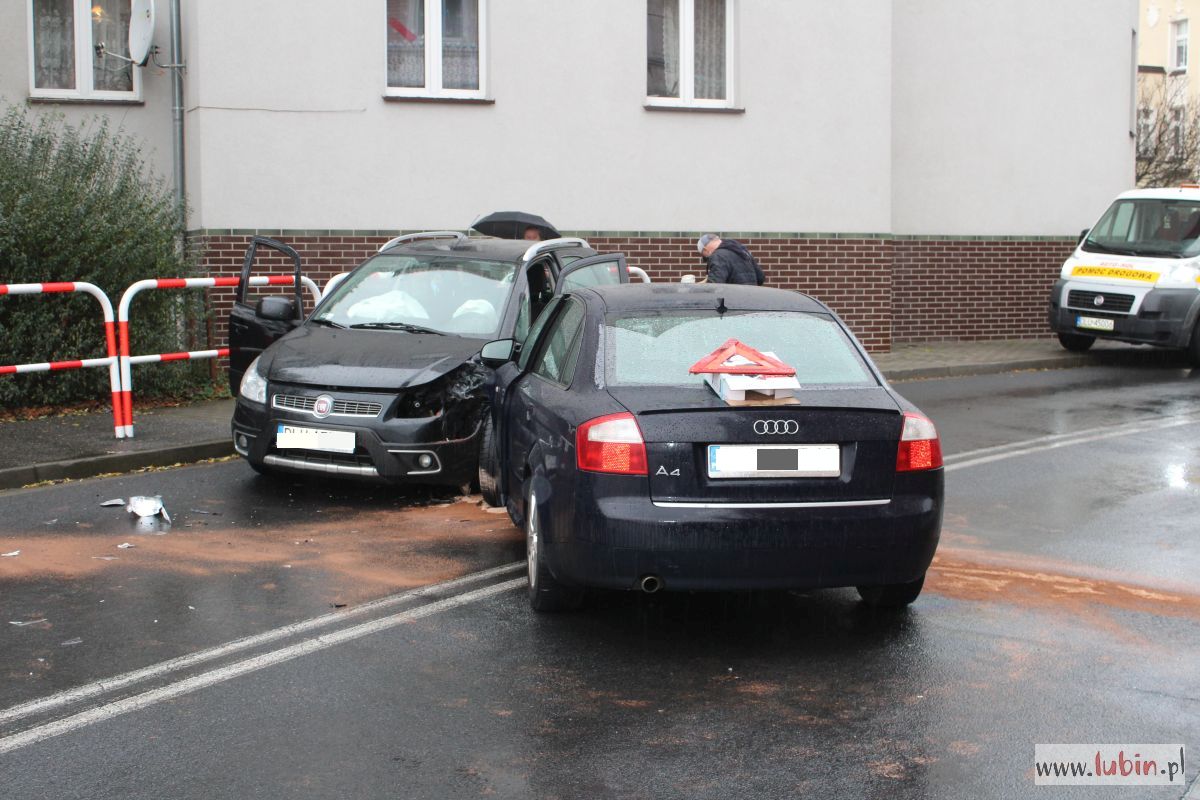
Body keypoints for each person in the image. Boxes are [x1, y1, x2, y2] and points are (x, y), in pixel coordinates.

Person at [697, 234, 765, 285]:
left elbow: (715, 284)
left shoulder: (718, 256)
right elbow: (760, 278)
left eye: (704, 256)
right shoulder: (742, 251)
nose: (707, 257)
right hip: (751, 299)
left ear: (705, 250)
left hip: (733, 300)